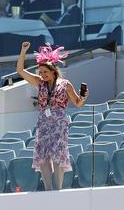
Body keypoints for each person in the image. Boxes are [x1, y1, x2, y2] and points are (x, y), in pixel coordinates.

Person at [16, 42, 88, 191]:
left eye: (45, 72)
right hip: (43, 122)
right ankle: (48, 189)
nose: (42, 75)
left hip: (59, 122)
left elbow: (78, 103)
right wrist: (23, 51)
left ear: (53, 70)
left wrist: (83, 97)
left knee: (57, 155)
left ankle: (58, 188)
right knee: (42, 157)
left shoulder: (65, 84)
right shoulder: (39, 82)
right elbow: (20, 70)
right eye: (41, 72)